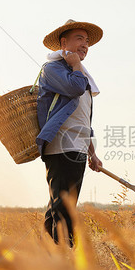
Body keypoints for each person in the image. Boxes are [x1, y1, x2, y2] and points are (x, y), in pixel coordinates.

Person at [35, 19, 103, 247]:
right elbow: (74, 89)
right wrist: (75, 65)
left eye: (87, 41)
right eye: (79, 39)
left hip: (77, 147)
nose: (85, 45)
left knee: (61, 204)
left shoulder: (81, 74)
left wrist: (92, 153)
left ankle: (48, 255)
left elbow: (84, 120)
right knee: (65, 207)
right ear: (63, 42)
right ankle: (66, 256)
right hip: (61, 146)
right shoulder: (53, 69)